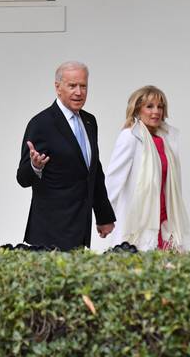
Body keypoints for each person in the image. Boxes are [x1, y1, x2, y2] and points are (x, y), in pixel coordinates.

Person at [16, 61, 115, 250]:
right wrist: (35, 166)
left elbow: (93, 171)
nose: (79, 92)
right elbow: (22, 178)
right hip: (50, 233)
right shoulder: (41, 124)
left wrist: (104, 216)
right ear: (58, 87)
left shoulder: (89, 121)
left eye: (83, 86)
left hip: (80, 229)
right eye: (72, 86)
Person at [105, 85, 190, 251]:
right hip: (139, 220)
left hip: (164, 219)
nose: (156, 111)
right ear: (137, 109)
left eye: (160, 107)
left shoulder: (166, 140)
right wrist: (105, 216)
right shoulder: (130, 136)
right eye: (149, 106)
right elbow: (113, 179)